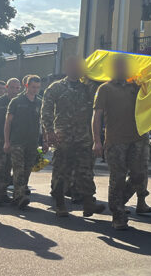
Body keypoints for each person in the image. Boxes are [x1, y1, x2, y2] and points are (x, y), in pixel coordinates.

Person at [92, 55, 151, 230]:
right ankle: (118, 215)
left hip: (138, 139)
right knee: (117, 179)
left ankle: (119, 201)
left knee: (139, 176)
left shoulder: (136, 87)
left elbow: (150, 104)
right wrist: (97, 141)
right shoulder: (105, 89)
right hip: (115, 140)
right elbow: (96, 116)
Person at [42, 58, 105, 218]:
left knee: (86, 170)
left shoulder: (87, 89)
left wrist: (89, 75)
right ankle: (60, 203)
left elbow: (99, 94)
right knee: (61, 170)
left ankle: (88, 202)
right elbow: (46, 110)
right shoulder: (55, 88)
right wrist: (49, 131)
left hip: (84, 136)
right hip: (63, 137)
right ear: (67, 68)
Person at [3, 75, 46, 209]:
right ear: (27, 86)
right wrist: (6, 141)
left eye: (38, 87)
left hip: (32, 142)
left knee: (27, 170)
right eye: (33, 87)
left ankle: (19, 195)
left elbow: (43, 123)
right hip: (17, 142)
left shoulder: (40, 102)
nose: (35, 90)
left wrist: (45, 141)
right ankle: (19, 196)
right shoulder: (16, 101)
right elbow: (8, 123)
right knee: (18, 170)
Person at [0, 78, 21, 205]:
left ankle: (5, 193)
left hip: (15, 139)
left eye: (17, 88)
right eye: (12, 87)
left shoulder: (20, 101)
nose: (14, 90)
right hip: (0, 138)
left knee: (8, 167)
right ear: (7, 87)